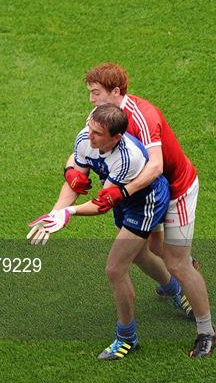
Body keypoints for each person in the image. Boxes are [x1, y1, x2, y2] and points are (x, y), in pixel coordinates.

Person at [63, 63, 216, 358]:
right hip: (146, 194)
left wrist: (120, 191)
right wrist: (71, 170)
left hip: (175, 190)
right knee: (152, 248)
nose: (91, 100)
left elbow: (156, 167)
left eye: (95, 93)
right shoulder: (101, 118)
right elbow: (84, 147)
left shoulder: (143, 117)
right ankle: (176, 283)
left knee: (176, 261)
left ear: (116, 92)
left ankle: (206, 331)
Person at [28, 104, 172, 360]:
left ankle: (127, 337)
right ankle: (175, 290)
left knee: (115, 268)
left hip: (145, 202)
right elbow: (76, 180)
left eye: (97, 133)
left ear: (116, 137)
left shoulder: (127, 158)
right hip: (121, 198)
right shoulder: (86, 136)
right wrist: (54, 213)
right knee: (138, 256)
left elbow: (102, 204)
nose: (89, 135)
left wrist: (69, 213)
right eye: (90, 128)